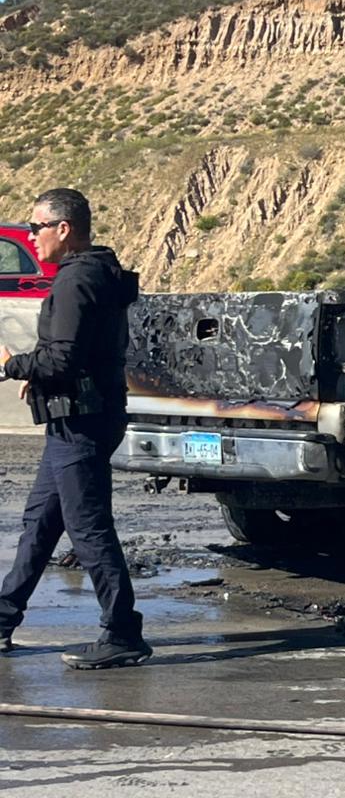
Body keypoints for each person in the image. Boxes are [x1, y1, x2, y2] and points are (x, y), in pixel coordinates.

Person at [0, 188, 148, 667]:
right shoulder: (95, 273)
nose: (30, 236)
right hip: (77, 418)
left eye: (36, 227)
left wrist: (14, 365)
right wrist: (39, 376)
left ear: (63, 230)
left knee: (89, 529)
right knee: (40, 524)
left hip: (80, 423)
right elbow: (80, 354)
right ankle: (3, 618)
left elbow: (61, 357)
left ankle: (122, 632)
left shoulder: (75, 281)